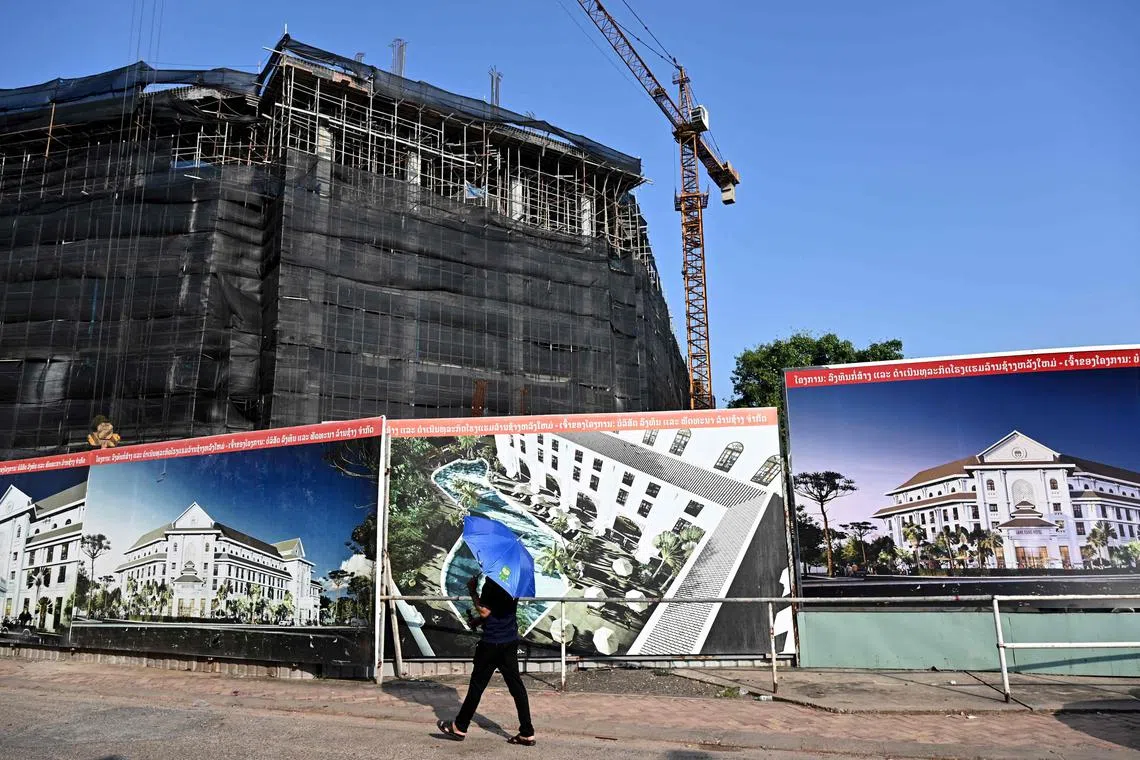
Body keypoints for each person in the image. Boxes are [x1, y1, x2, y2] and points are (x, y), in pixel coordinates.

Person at [437, 574, 535, 746]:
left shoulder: (492, 583)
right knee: (517, 687)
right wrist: (478, 621)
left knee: (477, 686)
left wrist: (472, 590)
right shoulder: (515, 581)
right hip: (509, 640)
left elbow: (485, 610)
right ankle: (527, 732)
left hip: (491, 643)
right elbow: (498, 610)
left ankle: (459, 727)